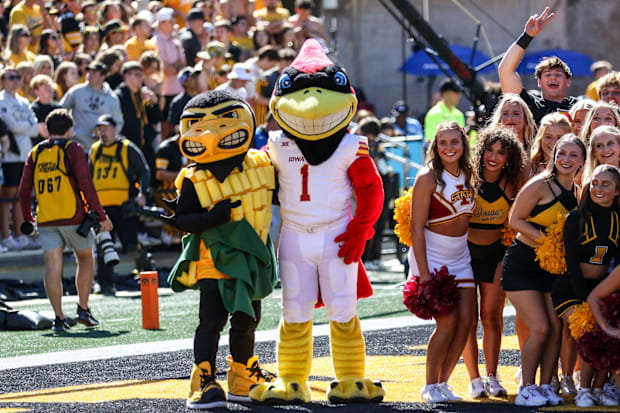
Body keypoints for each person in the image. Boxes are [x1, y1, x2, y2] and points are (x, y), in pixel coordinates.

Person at [502, 134, 585, 406]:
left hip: (554, 268)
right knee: (539, 327)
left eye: (574, 155)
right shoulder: (539, 185)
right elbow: (515, 220)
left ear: (582, 161)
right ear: (553, 156)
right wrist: (548, 241)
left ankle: (547, 386)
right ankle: (526, 388)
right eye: (562, 153)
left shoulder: (578, 193)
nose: (566, 159)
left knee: (554, 328)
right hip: (522, 264)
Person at [18, 109, 113, 331]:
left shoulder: (36, 152)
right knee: (86, 259)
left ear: (48, 130)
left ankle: (59, 318)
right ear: (70, 129)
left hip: (47, 218)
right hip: (74, 217)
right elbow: (85, 184)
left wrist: (28, 217)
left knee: (52, 267)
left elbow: (24, 191)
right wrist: (101, 215)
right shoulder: (74, 148)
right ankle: (83, 308)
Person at [408, 122, 476, 402]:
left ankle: (443, 383)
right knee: (446, 324)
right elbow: (416, 229)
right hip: (434, 257)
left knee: (468, 321)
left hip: (461, 256)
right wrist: (424, 275)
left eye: (454, 142)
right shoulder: (427, 178)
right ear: (435, 147)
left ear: (463, 145)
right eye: (443, 143)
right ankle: (429, 384)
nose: (449, 148)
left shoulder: (470, 174)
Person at [463, 126, 526, 398]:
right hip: (464, 254)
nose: (494, 156)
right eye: (489, 149)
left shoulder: (511, 185)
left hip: (496, 255)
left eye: (501, 152)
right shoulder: (467, 179)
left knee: (491, 316)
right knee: (467, 319)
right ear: (481, 150)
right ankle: (474, 378)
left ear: (509, 157)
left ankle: (491, 375)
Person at [554, 164, 620, 407]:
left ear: (617, 191)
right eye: (595, 183)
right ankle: (583, 389)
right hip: (571, 288)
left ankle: (599, 388)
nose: (598, 188)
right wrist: (584, 299)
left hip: (602, 288)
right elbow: (571, 263)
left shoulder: (618, 219)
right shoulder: (576, 217)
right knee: (590, 330)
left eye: (606, 184)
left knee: (610, 331)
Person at [89, 114, 151, 294]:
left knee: (131, 246)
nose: (102, 132)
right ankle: (105, 284)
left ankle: (147, 272)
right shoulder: (94, 150)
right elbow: (89, 178)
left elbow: (144, 171)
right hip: (102, 209)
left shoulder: (127, 148)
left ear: (115, 129)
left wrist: (142, 194)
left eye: (106, 128)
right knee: (104, 247)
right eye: (100, 129)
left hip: (125, 206)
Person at [498, 7, 578, 125]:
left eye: (558, 74)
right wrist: (527, 36)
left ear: (568, 81)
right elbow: (505, 70)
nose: (553, 78)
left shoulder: (577, 107)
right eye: (548, 74)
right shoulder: (529, 105)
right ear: (539, 82)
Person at [0, 67, 39, 250]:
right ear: (3, 81)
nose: (15, 80)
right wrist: (26, 126)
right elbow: (12, 127)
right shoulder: (1, 101)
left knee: (20, 196)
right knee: (8, 197)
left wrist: (24, 126)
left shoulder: (24, 102)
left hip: (25, 153)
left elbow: (35, 128)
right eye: (10, 77)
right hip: (10, 155)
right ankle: (7, 236)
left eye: (17, 77)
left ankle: (21, 233)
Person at [60, 61, 123, 150]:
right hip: (77, 144)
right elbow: (60, 110)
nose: (90, 75)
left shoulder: (112, 98)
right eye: (89, 72)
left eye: (94, 73)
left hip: (101, 148)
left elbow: (118, 123)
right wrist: (68, 130)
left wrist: (108, 136)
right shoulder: (76, 92)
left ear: (103, 76)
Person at [115, 61, 161, 172]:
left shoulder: (143, 94)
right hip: (128, 144)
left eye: (142, 75)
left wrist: (154, 102)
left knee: (151, 175)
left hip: (146, 143)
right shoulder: (119, 95)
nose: (141, 78)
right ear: (126, 76)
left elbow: (157, 118)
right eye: (137, 75)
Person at [153, 7, 186, 138]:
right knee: (165, 130)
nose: (173, 24)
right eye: (170, 22)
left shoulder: (176, 41)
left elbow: (182, 64)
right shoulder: (155, 42)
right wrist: (174, 67)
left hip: (178, 89)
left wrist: (174, 67)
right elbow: (165, 68)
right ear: (161, 23)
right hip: (165, 91)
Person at [424, 79, 464, 144]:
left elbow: (462, 136)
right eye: (455, 92)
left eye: (459, 93)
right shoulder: (434, 113)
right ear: (445, 94)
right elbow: (431, 141)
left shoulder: (459, 114)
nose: (459, 95)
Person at [167, 67, 200, 134]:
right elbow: (174, 125)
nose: (196, 79)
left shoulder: (204, 97)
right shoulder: (177, 102)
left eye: (196, 77)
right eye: (192, 78)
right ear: (185, 82)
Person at [30, 74, 61, 145]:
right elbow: (45, 133)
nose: (49, 89)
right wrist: (60, 133)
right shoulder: (33, 108)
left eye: (50, 86)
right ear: (36, 91)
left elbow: (68, 131)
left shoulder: (59, 107)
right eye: (45, 87)